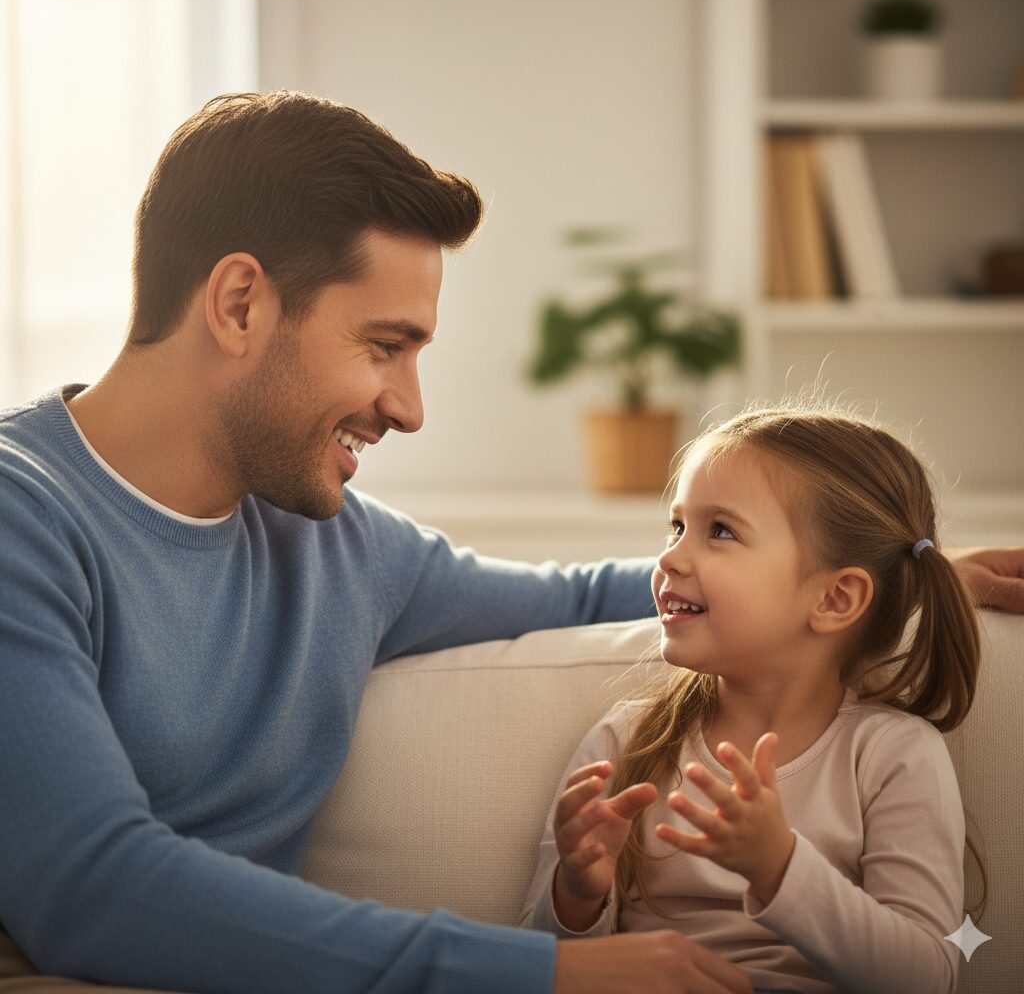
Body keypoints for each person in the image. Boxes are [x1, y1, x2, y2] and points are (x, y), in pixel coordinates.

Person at [0, 91, 1018, 994]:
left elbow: (573, 596)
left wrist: (898, 575)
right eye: (385, 346)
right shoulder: (23, 520)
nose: (409, 408)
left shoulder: (340, 549)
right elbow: (91, 888)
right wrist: (544, 972)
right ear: (239, 304)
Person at [520, 404, 986, 994]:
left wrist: (779, 867)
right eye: (676, 526)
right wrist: (575, 895)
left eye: (720, 530)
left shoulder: (892, 754)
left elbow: (927, 977)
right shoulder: (628, 742)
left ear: (835, 599)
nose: (668, 557)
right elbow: (535, 966)